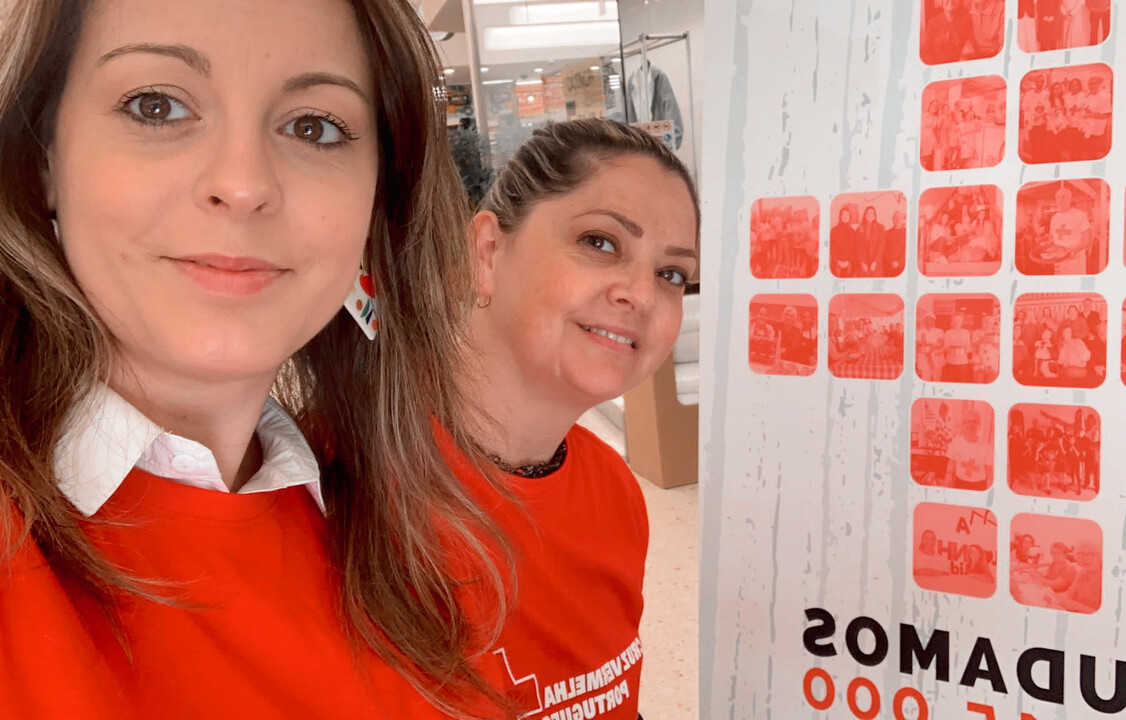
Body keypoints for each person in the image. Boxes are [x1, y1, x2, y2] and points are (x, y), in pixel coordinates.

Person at [0, 0, 511, 717]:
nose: (243, 186)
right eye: (156, 106)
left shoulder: (417, 527)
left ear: (376, 201)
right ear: (44, 157)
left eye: (314, 126)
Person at [463, 119, 699, 720]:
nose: (641, 294)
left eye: (672, 274)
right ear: (488, 251)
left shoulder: (613, 490)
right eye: (600, 242)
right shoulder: (339, 498)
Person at [945, 408, 991, 490]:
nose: (970, 425)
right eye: (967, 421)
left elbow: (989, 472)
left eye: (974, 422)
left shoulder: (987, 446)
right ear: (962, 425)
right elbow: (951, 462)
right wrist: (948, 477)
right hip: (960, 483)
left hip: (979, 485)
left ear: (979, 425)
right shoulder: (955, 442)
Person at [942, 314, 974, 383]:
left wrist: (964, 351)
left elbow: (968, 346)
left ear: (962, 322)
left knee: (962, 382)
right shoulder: (948, 332)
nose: (956, 322)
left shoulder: (966, 332)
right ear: (951, 321)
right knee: (951, 382)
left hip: (963, 362)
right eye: (954, 320)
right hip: (951, 362)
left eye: (958, 320)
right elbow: (945, 347)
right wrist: (949, 351)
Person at [856, 206, 886, 276]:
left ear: (875, 216)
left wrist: (875, 262)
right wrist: (862, 262)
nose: (869, 215)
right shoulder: (859, 228)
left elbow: (881, 246)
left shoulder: (880, 227)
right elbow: (857, 246)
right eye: (867, 213)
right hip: (863, 264)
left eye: (872, 213)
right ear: (865, 215)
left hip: (876, 262)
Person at [831, 204, 859, 277]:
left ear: (850, 217)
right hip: (837, 262)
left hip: (849, 263)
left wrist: (848, 261)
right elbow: (831, 247)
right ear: (840, 217)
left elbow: (855, 249)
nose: (845, 217)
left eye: (847, 215)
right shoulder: (834, 230)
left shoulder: (853, 232)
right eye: (843, 215)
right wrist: (837, 261)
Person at [885, 210, 908, 276]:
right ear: (892, 219)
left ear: (903, 219)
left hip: (903, 267)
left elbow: (908, 250)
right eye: (895, 218)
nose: (897, 220)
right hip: (889, 267)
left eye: (899, 218)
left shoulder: (907, 233)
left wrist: (899, 262)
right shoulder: (887, 233)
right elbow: (884, 250)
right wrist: (891, 261)